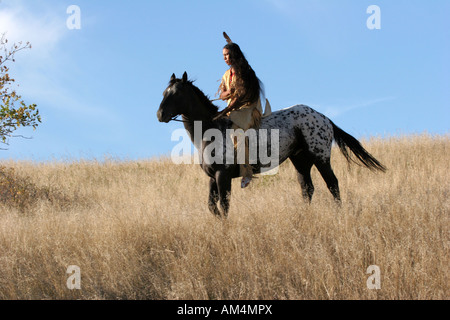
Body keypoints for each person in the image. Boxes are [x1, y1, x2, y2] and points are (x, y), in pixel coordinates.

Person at [215, 33, 269, 188]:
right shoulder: (226, 74)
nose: (225, 58)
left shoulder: (244, 69)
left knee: (236, 131)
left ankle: (247, 172)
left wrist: (229, 107)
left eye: (227, 55)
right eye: (223, 56)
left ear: (234, 54)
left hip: (249, 108)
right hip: (233, 109)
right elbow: (222, 94)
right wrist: (230, 94)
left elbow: (242, 95)